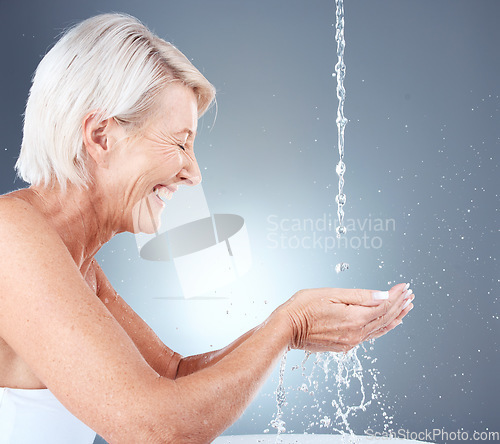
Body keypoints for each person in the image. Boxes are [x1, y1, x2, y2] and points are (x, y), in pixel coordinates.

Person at [0, 13, 414, 444]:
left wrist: (293, 328)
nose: (194, 173)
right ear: (103, 136)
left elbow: (174, 375)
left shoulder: (74, 262)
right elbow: (159, 431)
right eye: (180, 143)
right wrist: (289, 325)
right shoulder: (9, 238)